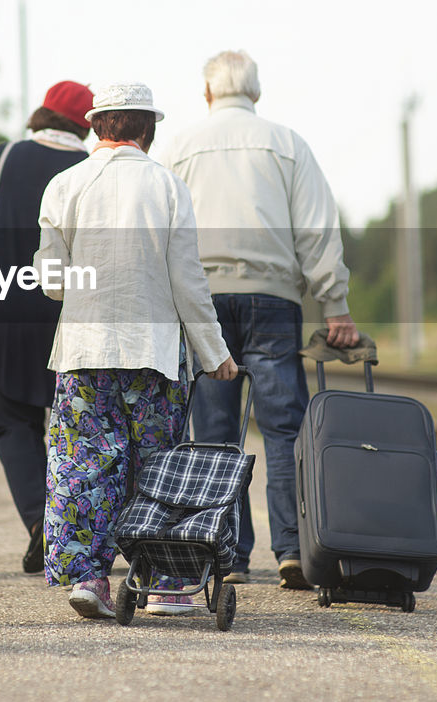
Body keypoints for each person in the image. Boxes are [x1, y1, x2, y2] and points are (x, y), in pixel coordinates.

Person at [34, 81, 238, 619]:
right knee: (157, 468)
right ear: (148, 128)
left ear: (98, 124)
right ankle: (167, 584)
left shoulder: (63, 185)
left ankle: (89, 579)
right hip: (154, 354)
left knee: (84, 466)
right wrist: (214, 351)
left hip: (82, 352)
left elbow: (51, 281)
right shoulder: (168, 187)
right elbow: (187, 281)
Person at [165, 50, 359, 590]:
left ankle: (227, 554)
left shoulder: (179, 147)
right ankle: (293, 550)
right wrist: (335, 304)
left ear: (207, 95)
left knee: (215, 433)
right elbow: (317, 229)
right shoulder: (287, 143)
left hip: (203, 302)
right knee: (283, 428)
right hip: (273, 299)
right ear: (257, 93)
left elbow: (166, 228)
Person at [0, 80, 94, 574]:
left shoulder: (6, 158)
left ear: (42, 115)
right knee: (84, 427)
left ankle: (39, 522)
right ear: (84, 125)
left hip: (8, 308)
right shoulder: (91, 169)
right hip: (74, 313)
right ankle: (81, 528)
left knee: (12, 419)